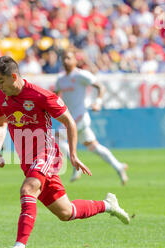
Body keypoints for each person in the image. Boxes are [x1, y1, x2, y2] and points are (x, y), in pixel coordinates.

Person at [0, 56, 130, 248]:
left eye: (1, 81)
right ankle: (108, 205)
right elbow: (0, 124)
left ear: (14, 76)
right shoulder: (1, 97)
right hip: (28, 161)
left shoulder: (40, 95)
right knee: (66, 212)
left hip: (46, 154)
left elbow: (69, 121)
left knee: (28, 190)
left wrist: (73, 154)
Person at [55, 48, 128, 184]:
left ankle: (74, 164)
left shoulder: (81, 75)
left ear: (75, 60)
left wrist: (98, 102)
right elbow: (55, 96)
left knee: (56, 138)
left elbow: (100, 87)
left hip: (80, 116)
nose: (66, 61)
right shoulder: (61, 79)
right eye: (63, 58)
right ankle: (118, 166)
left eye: (69, 58)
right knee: (94, 147)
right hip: (71, 118)